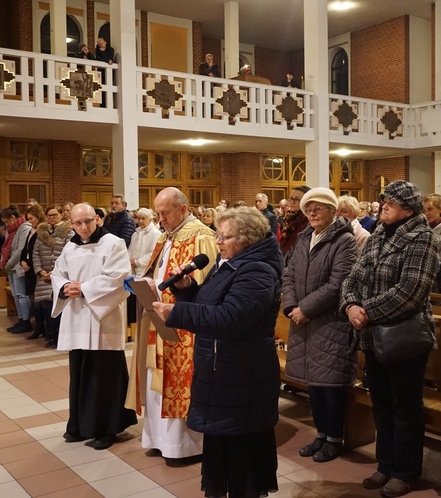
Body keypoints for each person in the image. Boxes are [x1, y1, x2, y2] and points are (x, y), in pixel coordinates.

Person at [152, 206, 283, 497]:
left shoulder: (258, 271)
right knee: (222, 441)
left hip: (243, 372)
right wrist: (187, 289)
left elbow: (230, 318)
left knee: (239, 449)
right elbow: (211, 303)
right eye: (218, 235)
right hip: (223, 369)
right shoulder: (232, 262)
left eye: (225, 237)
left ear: (247, 239)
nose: (218, 242)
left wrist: (177, 313)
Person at [339, 181, 438, 497]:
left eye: (390, 203)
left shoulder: (421, 238)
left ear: (408, 210)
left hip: (404, 338)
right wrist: (350, 305)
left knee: (404, 407)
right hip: (373, 336)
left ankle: (405, 471)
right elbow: (352, 278)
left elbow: (411, 291)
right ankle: (385, 464)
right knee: (380, 403)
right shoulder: (377, 236)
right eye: (382, 202)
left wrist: (366, 310)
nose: (383, 207)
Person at [125, 187, 218, 465]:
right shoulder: (166, 237)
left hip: (183, 324)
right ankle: (159, 439)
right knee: (156, 379)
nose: (160, 218)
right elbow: (156, 273)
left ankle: (183, 446)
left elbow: (208, 285)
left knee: (178, 381)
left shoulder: (202, 236)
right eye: (158, 213)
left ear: (183, 209)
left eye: (165, 213)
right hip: (157, 318)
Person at [51, 203, 137, 450]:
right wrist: (65, 287)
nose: (83, 227)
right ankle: (79, 425)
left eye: (87, 221)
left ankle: (106, 428)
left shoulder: (113, 243)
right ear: (71, 224)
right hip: (78, 317)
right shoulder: (70, 246)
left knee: (104, 375)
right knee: (80, 372)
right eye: (77, 223)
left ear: (97, 220)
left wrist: (85, 289)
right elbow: (58, 274)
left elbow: (120, 278)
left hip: (102, 319)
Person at [283, 188, 358, 463]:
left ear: (333, 210)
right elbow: (288, 274)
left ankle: (335, 439)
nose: (312, 213)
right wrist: (291, 306)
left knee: (331, 385)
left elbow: (339, 283)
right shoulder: (304, 238)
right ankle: (321, 434)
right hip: (303, 321)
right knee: (313, 384)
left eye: (319, 208)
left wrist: (305, 308)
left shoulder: (345, 240)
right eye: (309, 208)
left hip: (330, 323)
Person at [32, 205, 73, 347]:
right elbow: (35, 253)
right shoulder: (42, 232)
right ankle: (49, 334)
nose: (52, 218)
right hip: (43, 276)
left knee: (56, 306)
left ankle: (57, 336)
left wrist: (55, 272)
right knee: (43, 305)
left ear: (61, 215)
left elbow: (69, 254)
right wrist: (39, 270)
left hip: (59, 275)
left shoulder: (68, 233)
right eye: (49, 215)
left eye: (55, 215)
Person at [0, 206, 33, 334]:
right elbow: (7, 247)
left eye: (7, 221)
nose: (6, 224)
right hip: (11, 266)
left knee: (21, 294)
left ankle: (26, 321)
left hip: (18, 265)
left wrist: (8, 263)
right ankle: (20, 319)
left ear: (13, 217)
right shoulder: (12, 229)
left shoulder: (24, 227)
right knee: (15, 294)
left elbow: (20, 249)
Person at [21, 205, 46, 321]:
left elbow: (38, 251)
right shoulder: (31, 230)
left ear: (38, 216)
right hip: (27, 266)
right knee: (31, 295)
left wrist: (30, 264)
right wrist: (22, 261)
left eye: (31, 219)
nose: (30, 222)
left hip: (35, 268)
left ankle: (40, 324)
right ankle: (36, 323)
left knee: (38, 299)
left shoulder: (43, 229)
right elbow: (26, 248)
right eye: (28, 219)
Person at [280, 186, 310, 264]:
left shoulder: (309, 221)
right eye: (291, 198)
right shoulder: (289, 219)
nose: (292, 202)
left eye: (297, 199)